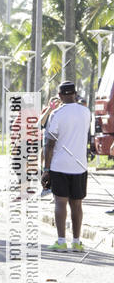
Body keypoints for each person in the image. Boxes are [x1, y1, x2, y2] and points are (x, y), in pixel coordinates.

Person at [41, 81, 92, 252]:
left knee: (60, 202)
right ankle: (77, 242)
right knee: (77, 204)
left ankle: (61, 241)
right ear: (75, 94)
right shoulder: (86, 112)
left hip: (60, 164)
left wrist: (46, 170)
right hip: (80, 165)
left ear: (61, 96)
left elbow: (50, 144)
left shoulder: (57, 113)